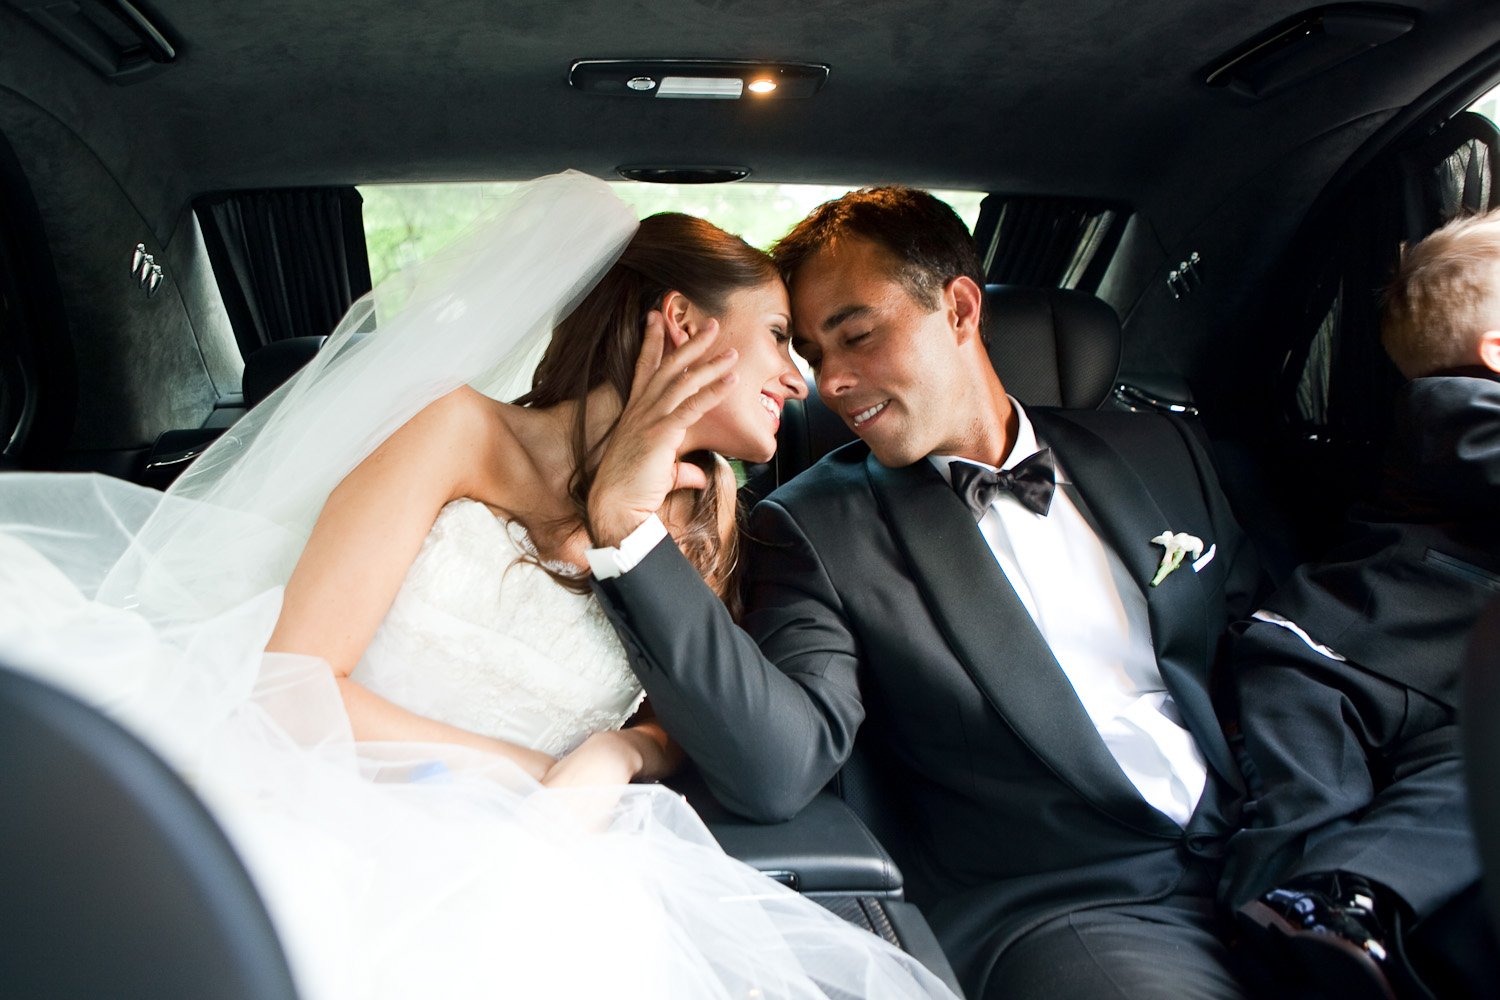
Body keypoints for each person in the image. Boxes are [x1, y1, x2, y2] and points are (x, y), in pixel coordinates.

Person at [0, 173, 958, 1000]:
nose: (804, 380)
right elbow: (292, 682)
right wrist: (534, 773)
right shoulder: (453, 432)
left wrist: (626, 751)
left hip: (533, 856)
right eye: (784, 337)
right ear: (680, 326)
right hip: (308, 797)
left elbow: (717, 720)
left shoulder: (706, 519)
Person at [586, 185, 1266, 999]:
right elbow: (777, 770)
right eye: (810, 352)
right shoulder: (813, 529)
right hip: (1075, 908)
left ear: (961, 308)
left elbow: (1267, 650)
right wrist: (629, 531)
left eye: (858, 337)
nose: (830, 382)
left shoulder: (1161, 448)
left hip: (1280, 841)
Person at [1223, 207, 1500, 999]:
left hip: (1442, 692)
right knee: (1301, 810)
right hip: (1329, 659)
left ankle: (1346, 914)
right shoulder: (1454, 411)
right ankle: (1271, 933)